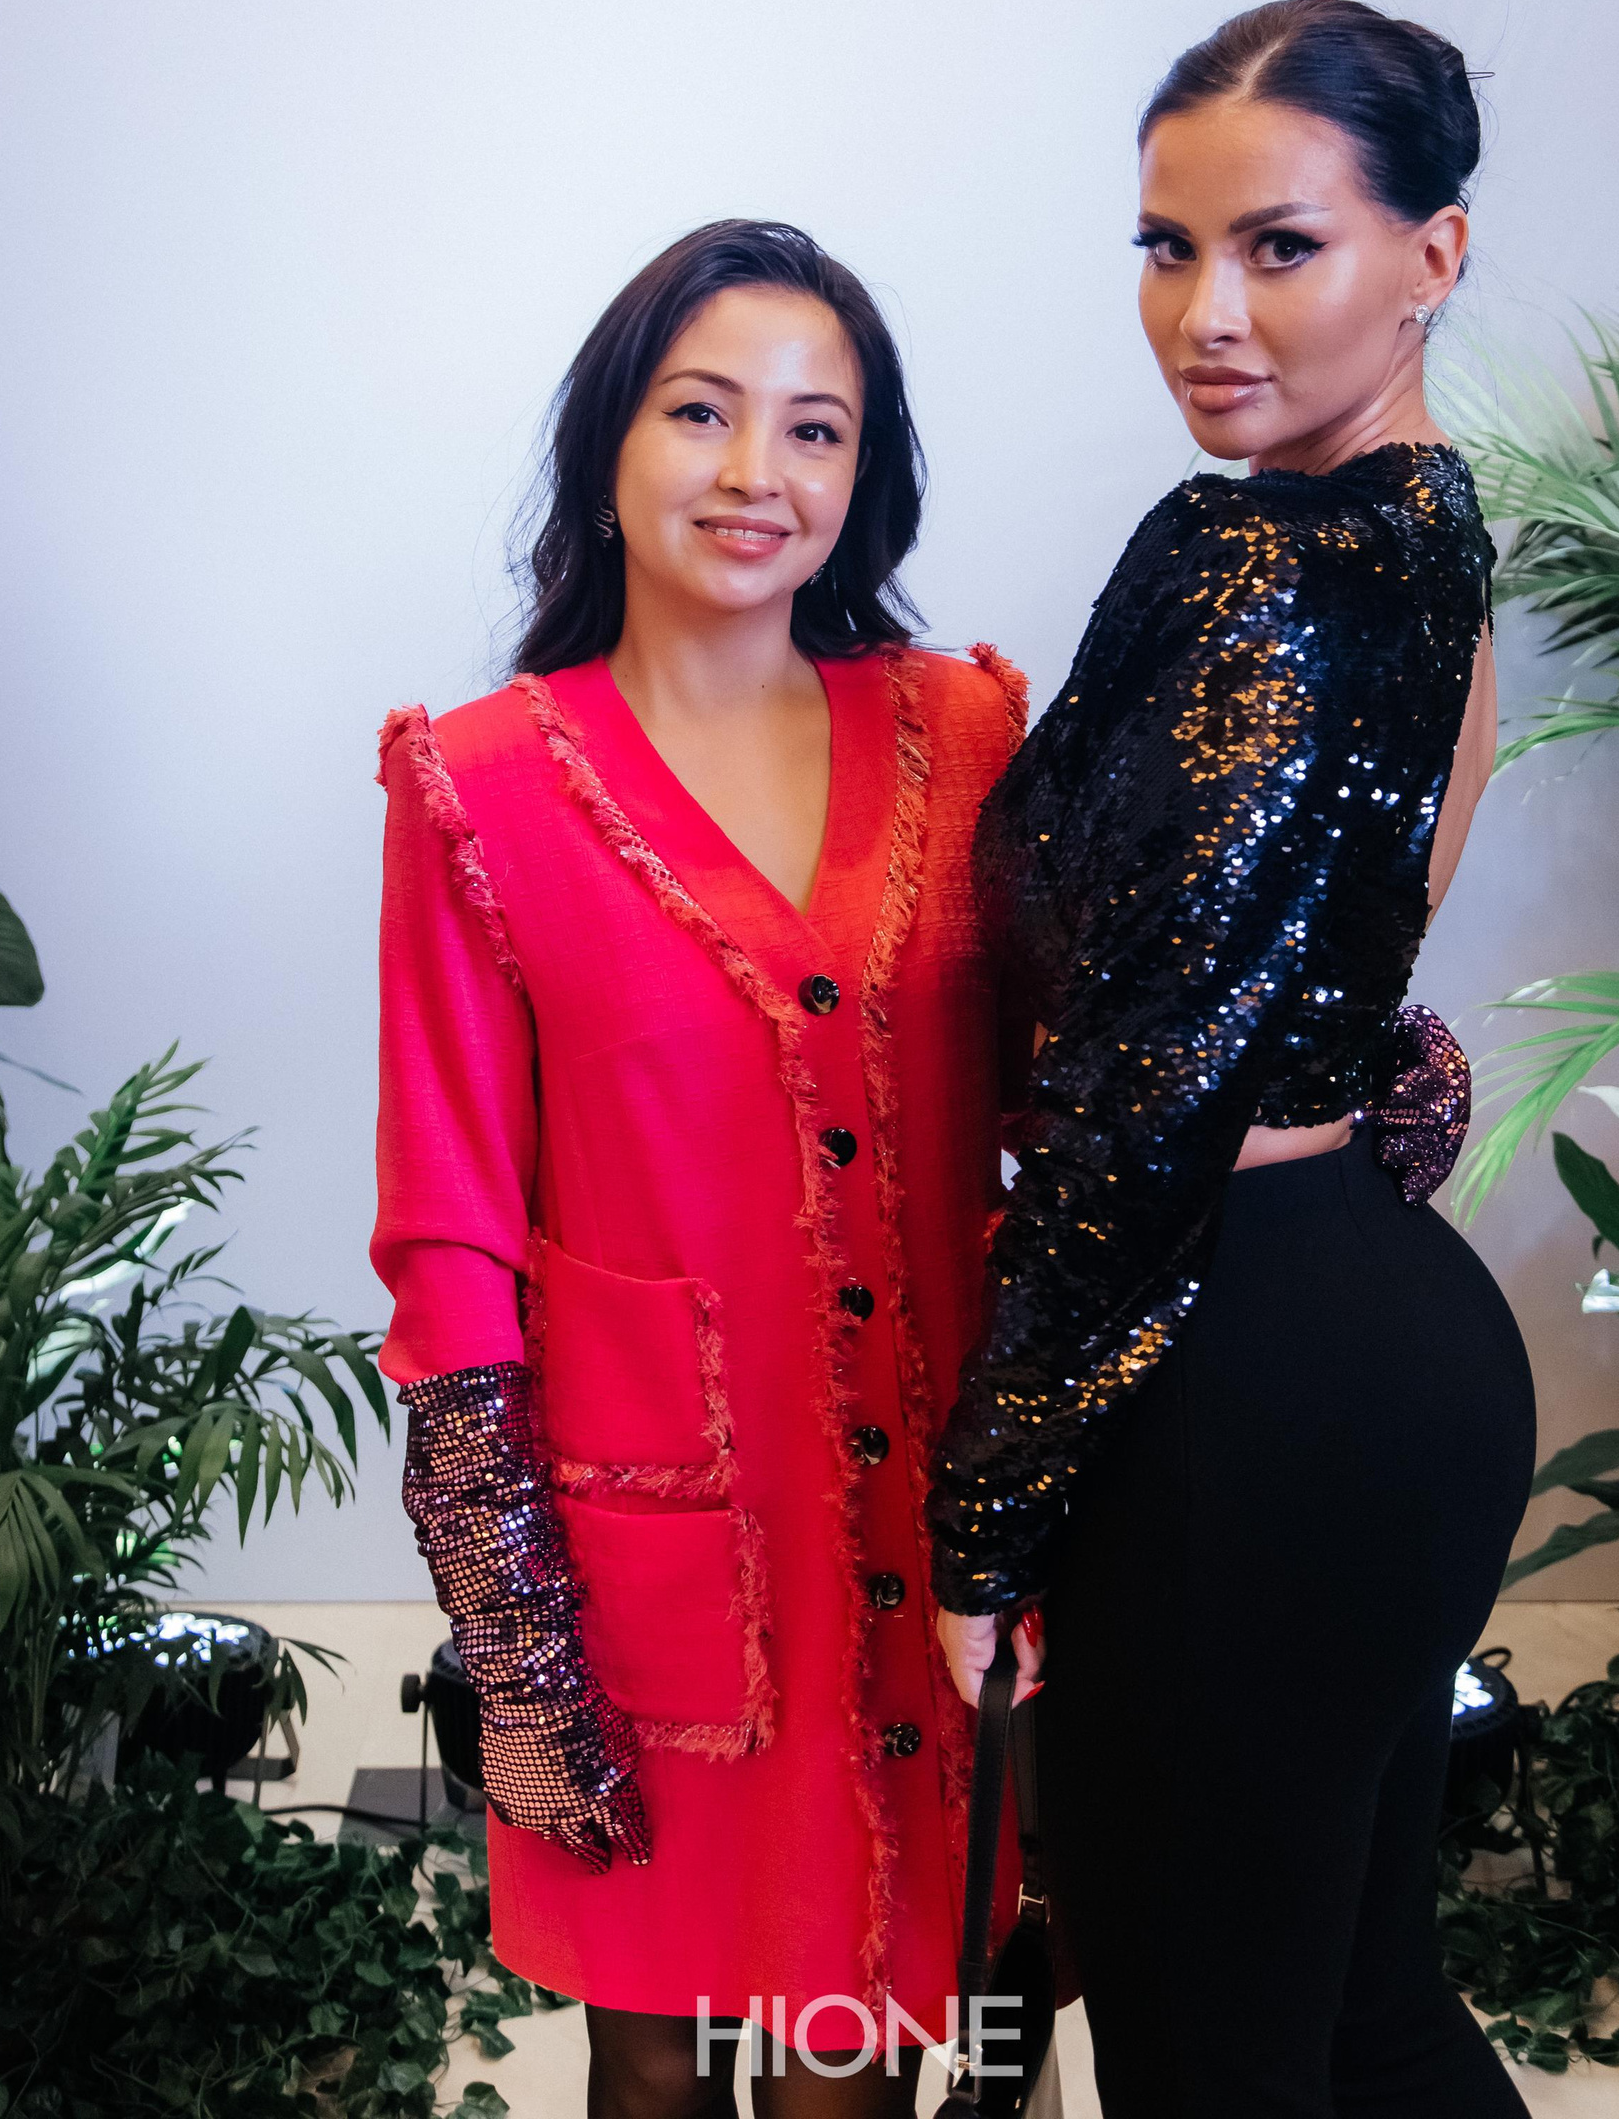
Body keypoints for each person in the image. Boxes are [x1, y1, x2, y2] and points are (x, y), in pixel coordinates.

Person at [930, 0, 1536, 2114]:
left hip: (1231, 1385)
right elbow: (1347, 964)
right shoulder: (1432, 534)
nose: (1205, 314)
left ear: (1432, 254)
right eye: (1167, 246)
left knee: (1217, 2062)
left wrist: (988, 1513)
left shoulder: (1252, 565)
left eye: (1281, 247)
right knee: (1366, 2015)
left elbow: (1149, 1103)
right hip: (1385, 1351)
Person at [371, 222, 1028, 2119]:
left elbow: (1080, 1080)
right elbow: (449, 1227)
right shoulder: (478, 787)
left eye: (817, 429)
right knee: (649, 2069)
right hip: (639, 1546)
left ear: (864, 476)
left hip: (930, 1532)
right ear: (610, 446)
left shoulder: (966, 733)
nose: (759, 472)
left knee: (858, 2053)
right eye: (702, 412)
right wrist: (515, 1631)